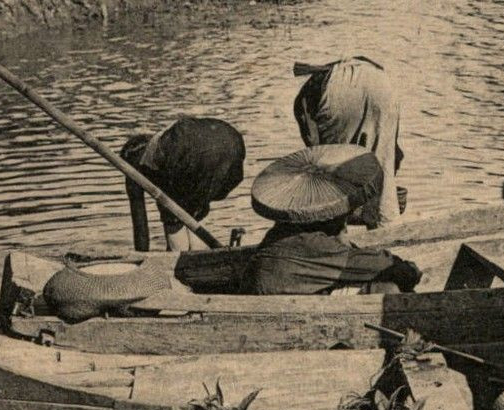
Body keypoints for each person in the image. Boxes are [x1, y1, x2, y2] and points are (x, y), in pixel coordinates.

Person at [245, 144, 421, 295]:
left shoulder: (284, 231)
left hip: (272, 293)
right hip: (280, 308)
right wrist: (410, 270)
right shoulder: (315, 244)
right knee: (388, 289)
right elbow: (385, 266)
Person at [292, 56, 404, 228]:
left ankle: (336, 235)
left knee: (332, 172)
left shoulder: (306, 98)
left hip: (336, 92)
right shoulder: (310, 94)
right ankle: (386, 228)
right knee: (384, 171)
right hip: (381, 83)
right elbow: (394, 155)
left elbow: (317, 160)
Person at [120, 115, 245, 251]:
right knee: (194, 212)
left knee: (171, 212)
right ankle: (201, 258)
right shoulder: (163, 140)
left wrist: (141, 260)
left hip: (190, 148)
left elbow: (140, 226)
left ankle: (179, 263)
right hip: (232, 142)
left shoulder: (136, 166)